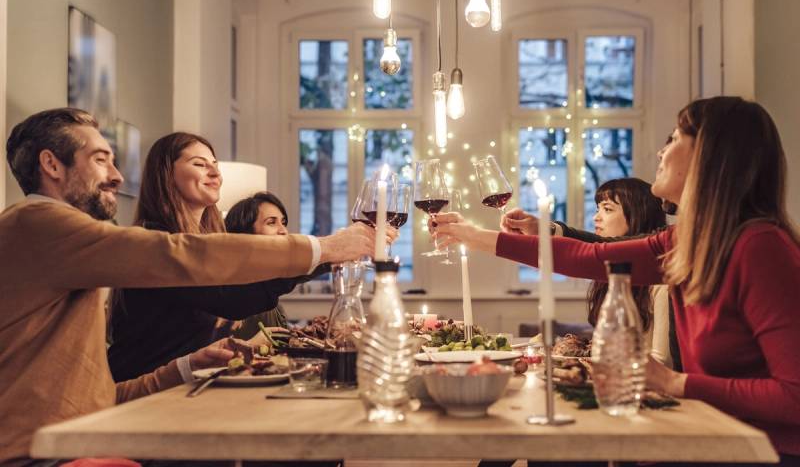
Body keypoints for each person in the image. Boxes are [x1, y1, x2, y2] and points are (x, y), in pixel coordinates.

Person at [434, 97, 800, 464]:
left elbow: (795, 396)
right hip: (715, 443)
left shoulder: (761, 248)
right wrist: (472, 235)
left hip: (768, 454)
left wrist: (674, 382)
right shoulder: (689, 242)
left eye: (674, 139)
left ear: (710, 156)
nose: (662, 151)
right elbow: (590, 257)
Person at [0, 108, 375, 466]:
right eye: (101, 160)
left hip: (81, 439)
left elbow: (101, 397)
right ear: (51, 165)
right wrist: (324, 248)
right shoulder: (36, 224)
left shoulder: (65, 250)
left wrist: (184, 366)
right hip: (44, 455)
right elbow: (182, 256)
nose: (117, 176)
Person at [107, 135, 356, 381]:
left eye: (215, 164)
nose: (215, 173)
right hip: (142, 390)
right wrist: (326, 253)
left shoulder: (205, 243)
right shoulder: (156, 244)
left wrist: (328, 257)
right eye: (199, 164)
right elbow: (235, 298)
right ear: (166, 174)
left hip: (191, 387)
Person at [504, 178, 672, 367]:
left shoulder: (660, 283)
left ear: (637, 215)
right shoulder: (608, 277)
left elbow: (663, 362)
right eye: (598, 209)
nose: (596, 217)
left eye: (607, 209)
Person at [223, 192, 309, 332]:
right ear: (246, 234)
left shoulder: (270, 298)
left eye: (283, 222)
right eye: (271, 222)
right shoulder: (242, 299)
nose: (283, 231)